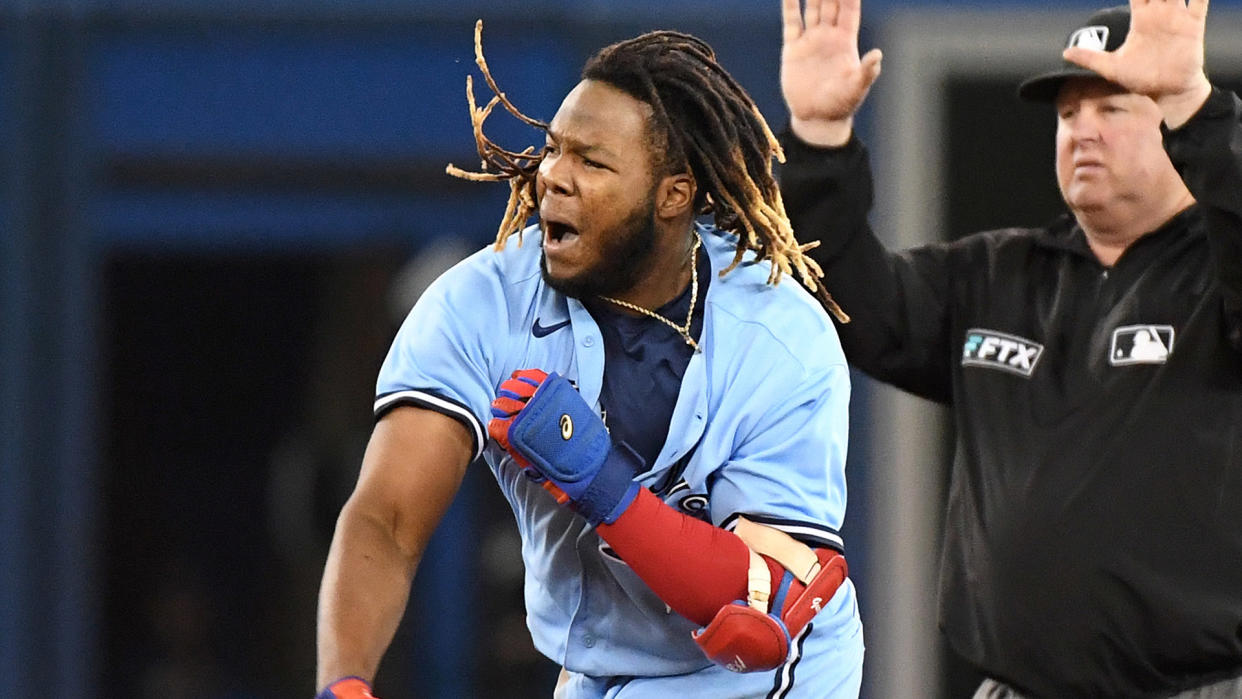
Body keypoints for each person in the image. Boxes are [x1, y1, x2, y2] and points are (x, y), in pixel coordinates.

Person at [315, 22, 865, 699]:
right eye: (554, 150)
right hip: (598, 672)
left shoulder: (778, 335)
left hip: (763, 673)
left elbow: (758, 609)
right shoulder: (481, 306)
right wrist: (344, 682)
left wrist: (603, 485)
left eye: (593, 163)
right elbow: (387, 518)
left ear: (675, 193)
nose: (554, 177)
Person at [777, 0, 1242, 696]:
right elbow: (848, 305)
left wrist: (1194, 103)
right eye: (1066, 115)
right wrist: (818, 142)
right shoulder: (997, 275)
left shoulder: (1218, 274)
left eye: (1111, 108)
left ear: (1173, 127)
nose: (1082, 130)